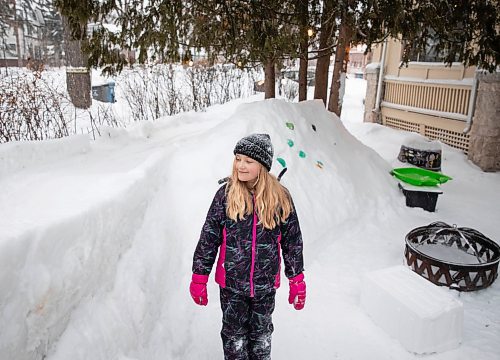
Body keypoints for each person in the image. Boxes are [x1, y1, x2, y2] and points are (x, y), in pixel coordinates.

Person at [190, 133, 306, 360]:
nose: (241, 165)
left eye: (248, 161)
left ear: (262, 165)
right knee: (234, 339)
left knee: (261, 339)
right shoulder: (225, 195)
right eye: (237, 158)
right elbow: (209, 238)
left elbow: (293, 242)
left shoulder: (280, 198)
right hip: (232, 286)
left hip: (264, 287)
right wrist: (199, 276)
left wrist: (297, 280)